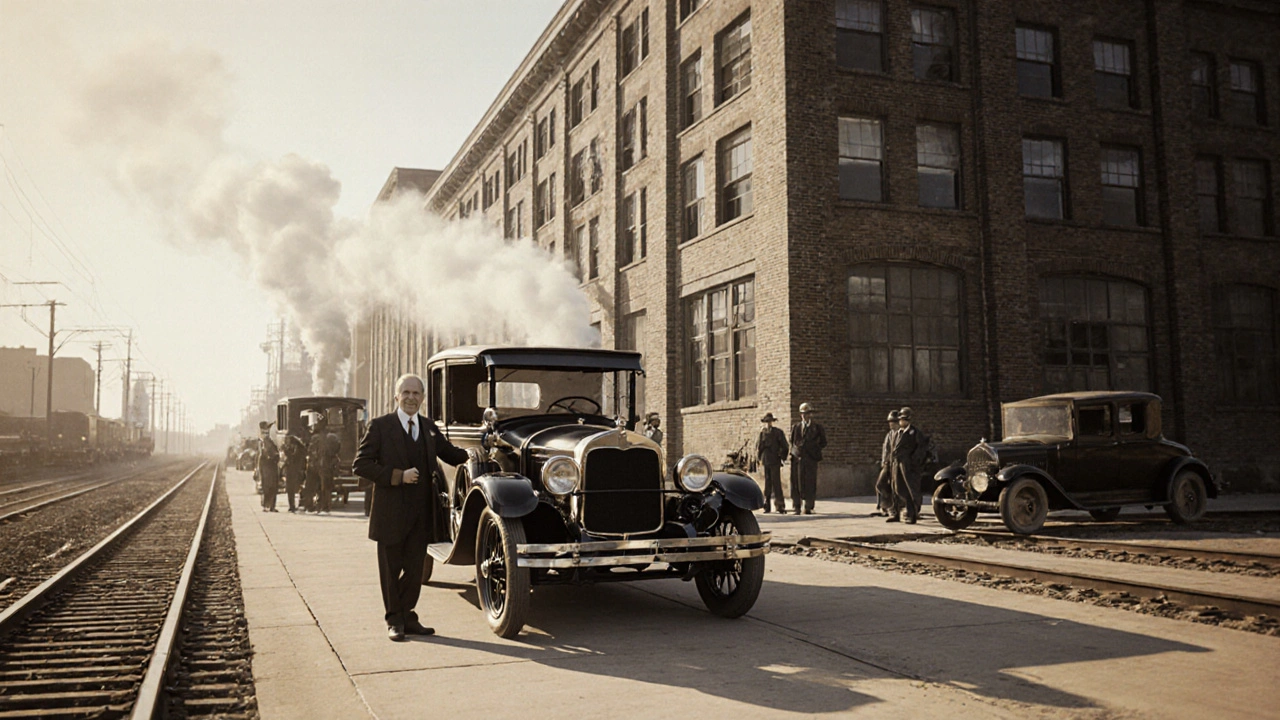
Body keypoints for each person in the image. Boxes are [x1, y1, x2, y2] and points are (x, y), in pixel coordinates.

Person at [353, 373, 468, 642]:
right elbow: (361, 464)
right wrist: (397, 476)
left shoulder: (428, 428)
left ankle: (407, 615)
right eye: (405, 393)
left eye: (416, 394)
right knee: (391, 570)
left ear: (423, 399)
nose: (411, 398)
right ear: (396, 397)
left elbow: (449, 453)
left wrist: (475, 453)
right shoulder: (380, 426)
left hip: (421, 514)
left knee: (416, 571)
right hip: (390, 513)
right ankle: (395, 620)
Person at [888, 407, 927, 524]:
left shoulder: (914, 433)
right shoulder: (897, 433)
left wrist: (913, 461)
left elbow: (921, 449)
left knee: (910, 489)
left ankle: (912, 514)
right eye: (900, 419)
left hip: (908, 465)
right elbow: (893, 449)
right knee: (897, 488)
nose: (902, 422)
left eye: (904, 419)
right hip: (896, 463)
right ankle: (896, 512)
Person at [789, 402, 827, 515]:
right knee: (796, 483)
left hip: (811, 459)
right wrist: (795, 451)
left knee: (810, 483)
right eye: (803, 414)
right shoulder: (796, 427)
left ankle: (809, 506)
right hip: (798, 459)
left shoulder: (817, 428)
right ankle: (796, 506)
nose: (805, 416)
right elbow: (792, 441)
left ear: (811, 415)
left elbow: (823, 442)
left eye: (807, 413)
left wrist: (814, 449)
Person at [756, 412, 788, 514]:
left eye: (769, 422)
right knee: (767, 483)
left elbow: (785, 446)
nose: (768, 424)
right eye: (766, 422)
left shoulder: (778, 433)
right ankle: (767, 505)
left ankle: (780, 505)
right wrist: (759, 458)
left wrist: (782, 456)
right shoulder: (762, 433)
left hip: (775, 460)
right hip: (766, 460)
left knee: (776, 483)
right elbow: (759, 447)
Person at [872, 410, 900, 517]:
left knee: (896, 487)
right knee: (880, 484)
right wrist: (884, 461)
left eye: (893, 421)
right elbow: (886, 449)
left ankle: (895, 507)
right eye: (890, 421)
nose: (891, 423)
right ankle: (885, 505)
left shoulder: (902, 434)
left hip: (898, 464)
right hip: (889, 464)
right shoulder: (889, 435)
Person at [257, 421, 281, 512]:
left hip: (269, 467)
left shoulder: (265, 440)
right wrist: (275, 456)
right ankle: (268, 506)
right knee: (269, 487)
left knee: (270, 486)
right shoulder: (265, 441)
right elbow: (268, 454)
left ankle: (269, 506)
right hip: (268, 466)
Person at [281, 432, 307, 512]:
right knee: (291, 489)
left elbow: (292, 458)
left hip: (294, 471)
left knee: (293, 488)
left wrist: (285, 450)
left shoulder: (297, 449)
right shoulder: (297, 448)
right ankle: (292, 505)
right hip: (294, 470)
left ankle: (298, 504)